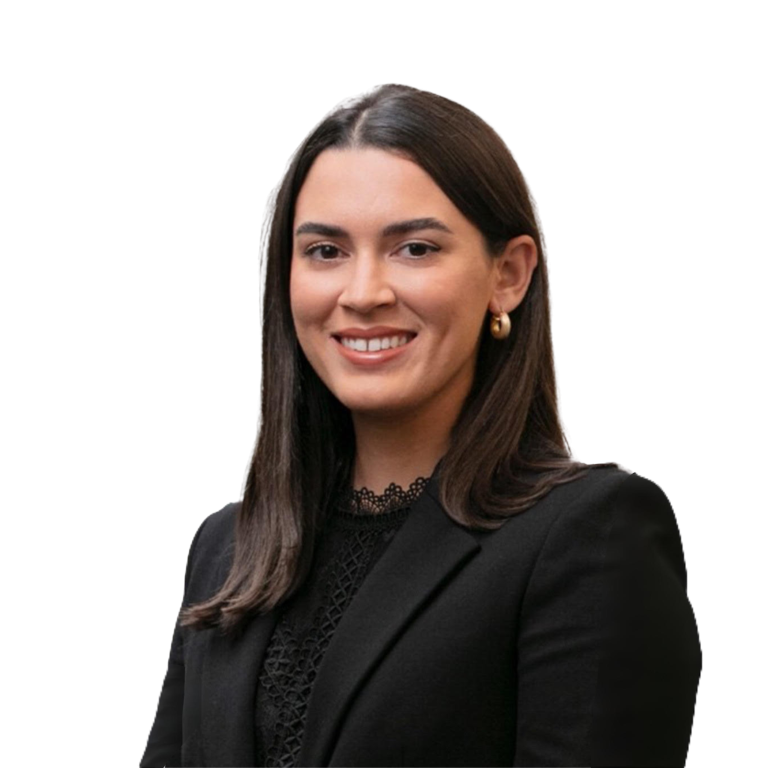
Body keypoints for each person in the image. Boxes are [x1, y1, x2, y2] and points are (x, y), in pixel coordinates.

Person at [139, 83, 701, 768]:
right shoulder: (227, 546)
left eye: (414, 248)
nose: (363, 293)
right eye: (325, 251)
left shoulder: (590, 534)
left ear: (509, 274)